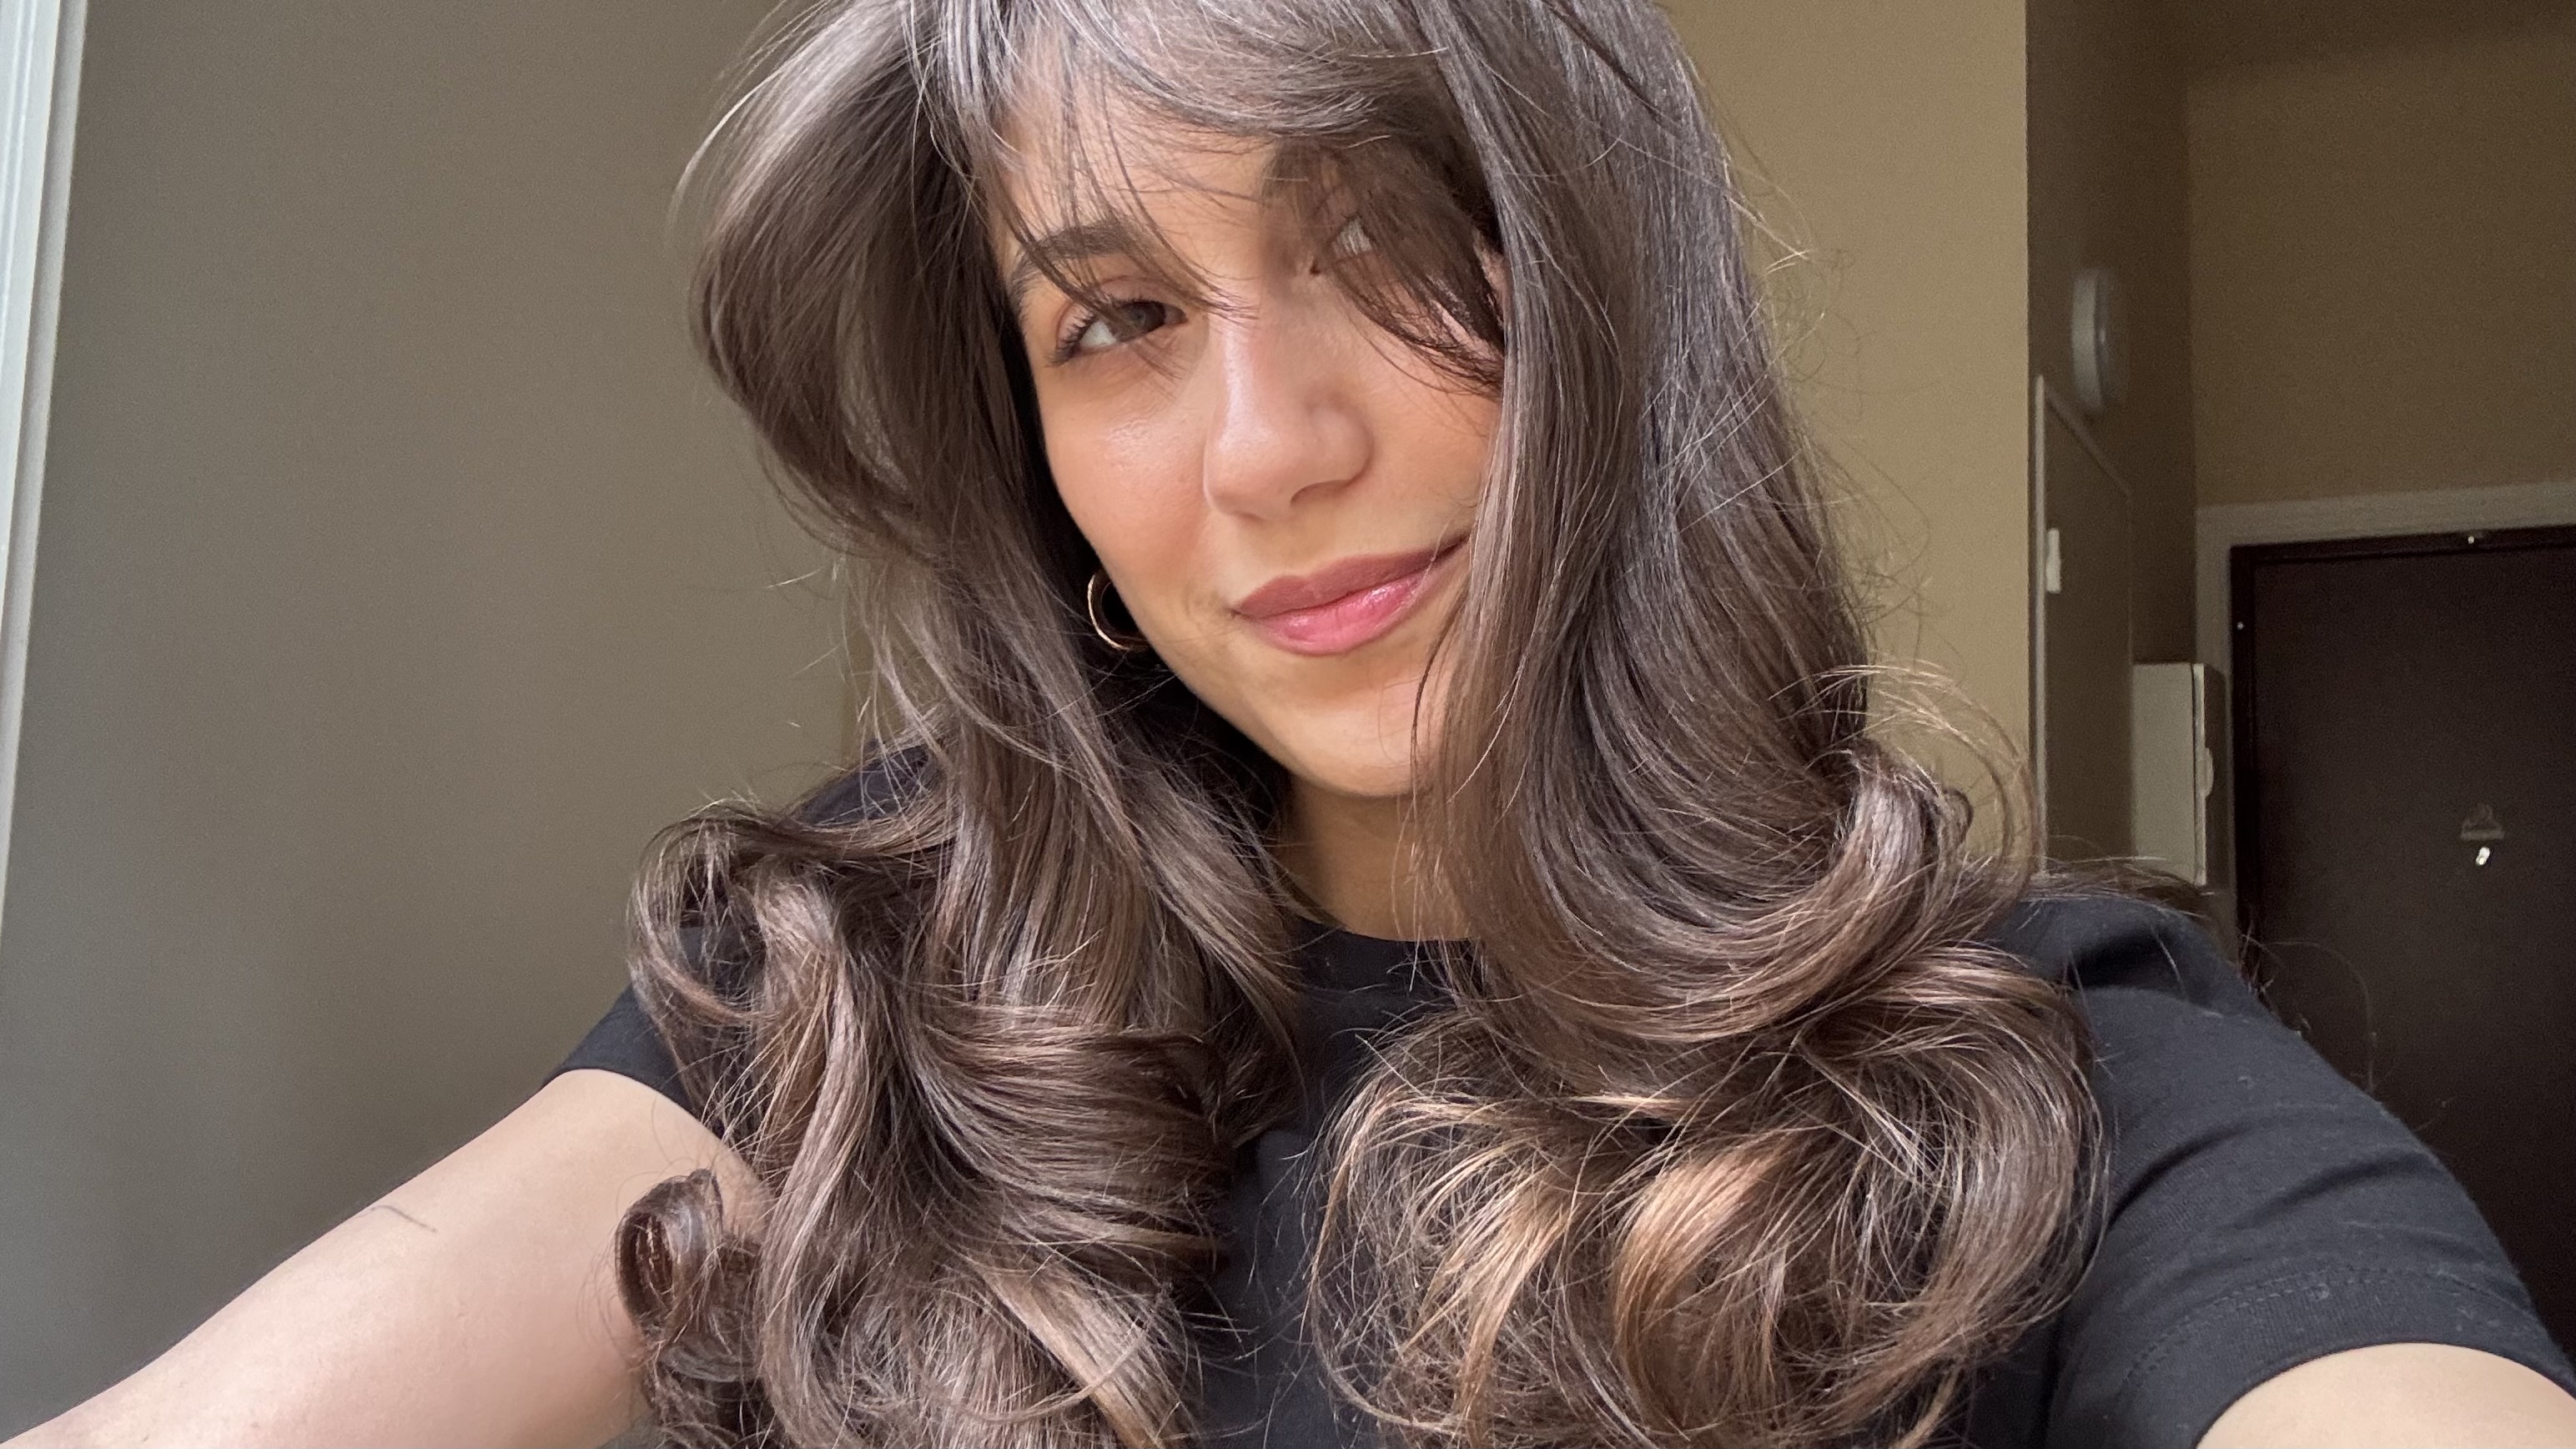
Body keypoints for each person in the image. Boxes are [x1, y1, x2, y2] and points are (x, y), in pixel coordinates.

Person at [15, 0, 2576, 1444]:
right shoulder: (859, 978)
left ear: (1614, 295)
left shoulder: (2048, 1065)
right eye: (1117, 320)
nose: (1266, 449)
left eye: (1386, 239)